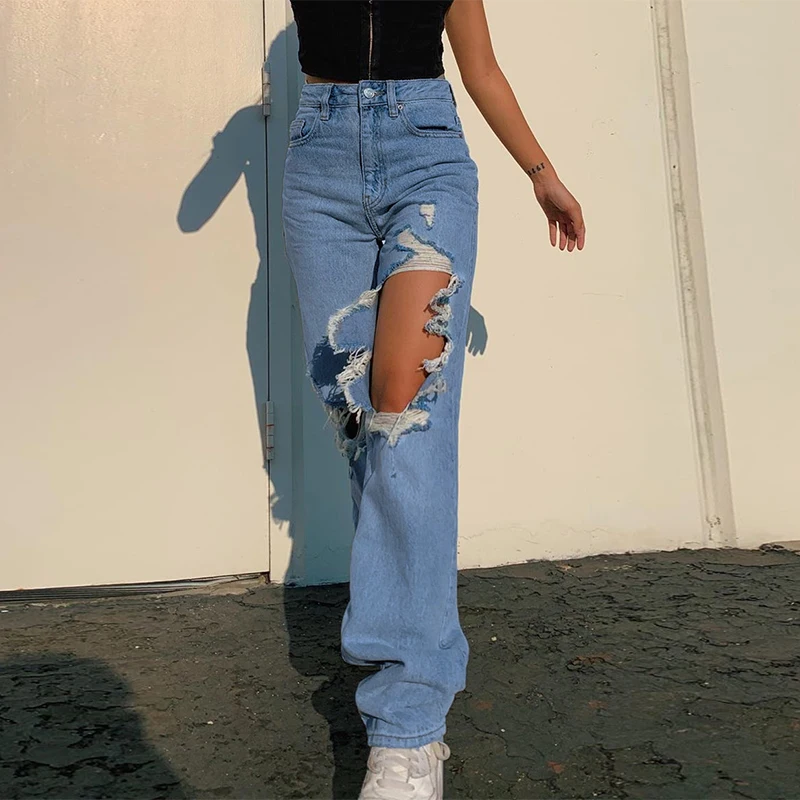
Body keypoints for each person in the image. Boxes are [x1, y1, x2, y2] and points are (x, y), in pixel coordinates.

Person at [281, 1, 586, 797]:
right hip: (318, 165)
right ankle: (403, 665)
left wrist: (541, 173)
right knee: (361, 427)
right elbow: (191, 210)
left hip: (425, 156)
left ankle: (409, 728)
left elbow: (479, 65)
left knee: (406, 413)